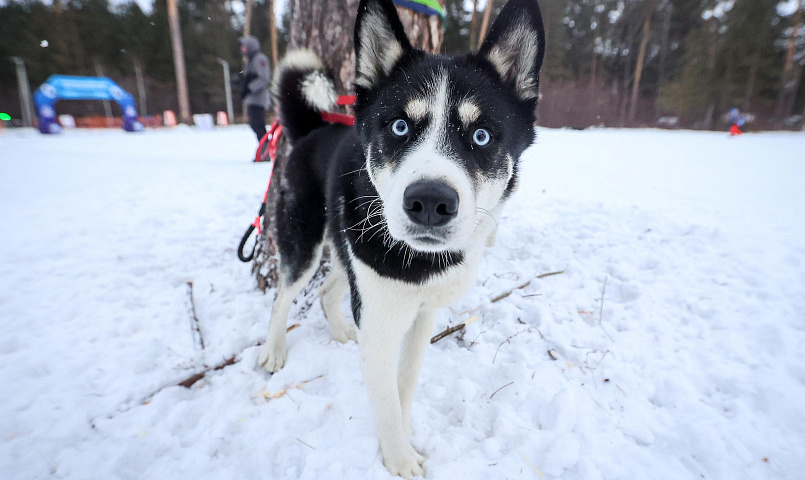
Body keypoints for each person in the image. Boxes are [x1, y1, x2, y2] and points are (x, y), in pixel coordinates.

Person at [239, 35, 271, 142]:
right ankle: (264, 149)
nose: (242, 50)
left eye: (244, 47)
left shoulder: (259, 59)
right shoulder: (250, 60)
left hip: (259, 99)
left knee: (258, 125)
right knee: (255, 125)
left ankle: (265, 149)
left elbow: (264, 78)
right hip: (253, 99)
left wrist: (249, 88)